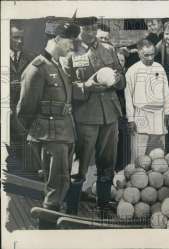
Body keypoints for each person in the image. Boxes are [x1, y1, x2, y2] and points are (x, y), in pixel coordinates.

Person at [16, 22, 80, 219]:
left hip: (64, 133)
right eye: (70, 41)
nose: (72, 46)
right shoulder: (37, 68)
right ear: (58, 39)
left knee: (62, 182)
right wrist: (39, 132)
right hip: (50, 136)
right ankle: (48, 230)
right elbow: (25, 109)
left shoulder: (56, 65)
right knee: (55, 187)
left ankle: (56, 226)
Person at [67, 16, 125, 216]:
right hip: (85, 116)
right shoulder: (70, 51)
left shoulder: (108, 49)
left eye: (93, 28)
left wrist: (118, 80)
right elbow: (65, 88)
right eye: (86, 29)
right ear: (79, 29)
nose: (91, 32)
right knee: (80, 165)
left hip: (109, 114)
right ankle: (71, 209)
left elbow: (121, 80)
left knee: (107, 163)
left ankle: (103, 206)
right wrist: (86, 86)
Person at [125, 39, 169, 161]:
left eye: (152, 54)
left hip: (159, 115)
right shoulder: (132, 71)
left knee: (158, 155)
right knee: (139, 156)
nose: (150, 58)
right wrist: (131, 118)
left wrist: (167, 111)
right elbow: (128, 97)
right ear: (139, 54)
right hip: (141, 115)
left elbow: (166, 91)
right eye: (146, 55)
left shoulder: (159, 68)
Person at [8, 24, 35, 170]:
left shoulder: (31, 57)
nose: (19, 41)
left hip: (23, 108)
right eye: (15, 37)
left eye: (21, 38)